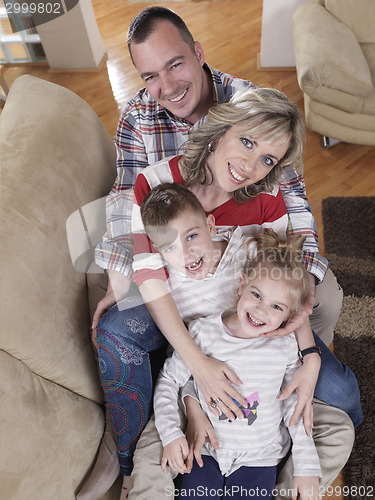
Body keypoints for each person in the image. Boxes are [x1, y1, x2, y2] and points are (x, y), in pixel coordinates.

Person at [78, 6, 351, 500]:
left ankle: (285, 470)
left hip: (253, 307)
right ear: (220, 130)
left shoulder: (259, 139)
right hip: (188, 308)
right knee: (118, 325)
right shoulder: (152, 167)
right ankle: (130, 452)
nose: (249, 165)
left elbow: (289, 245)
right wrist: (123, 285)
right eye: (151, 75)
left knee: (341, 386)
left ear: (198, 54)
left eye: (176, 65)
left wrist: (306, 354)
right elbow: (129, 214)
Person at [153, 228, 322, 500]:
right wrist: (171, 435)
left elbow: (296, 404)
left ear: (292, 316)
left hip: (259, 457)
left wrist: (307, 465)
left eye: (277, 307)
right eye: (256, 295)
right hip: (206, 450)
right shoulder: (203, 333)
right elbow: (169, 381)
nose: (260, 311)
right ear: (242, 284)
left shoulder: (286, 346)